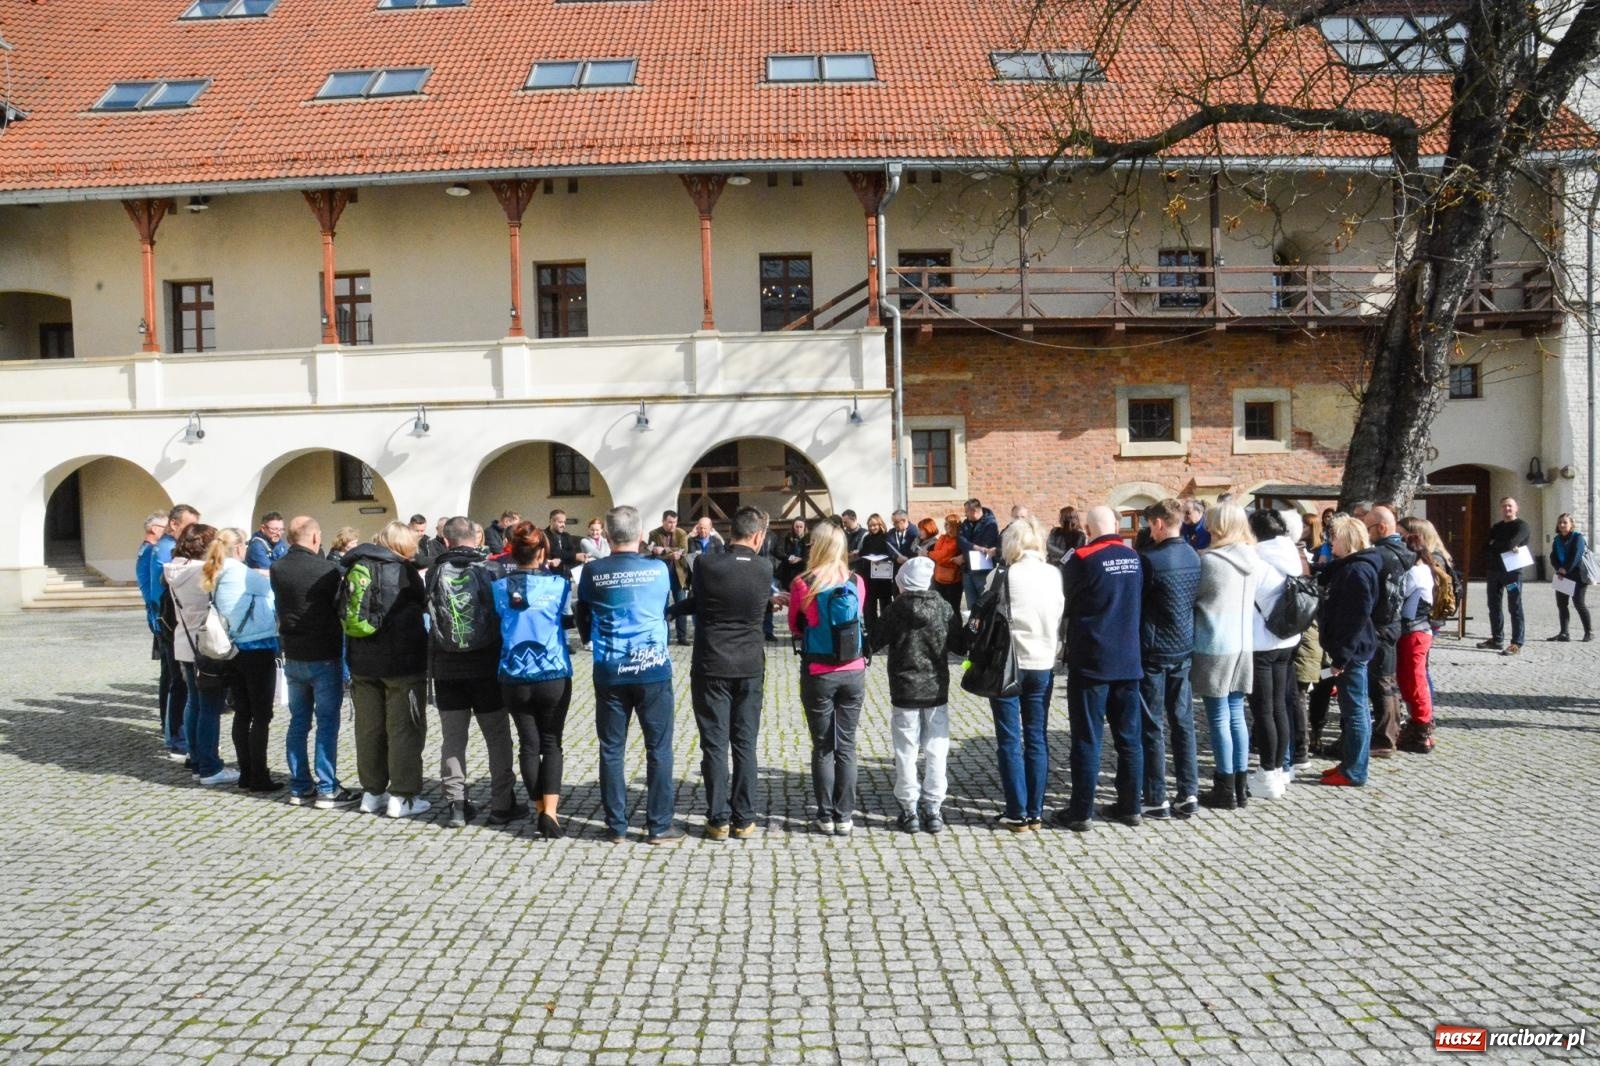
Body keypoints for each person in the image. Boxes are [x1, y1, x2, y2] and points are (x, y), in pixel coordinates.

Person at [578, 505, 680, 845]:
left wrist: (589, 637)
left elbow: (584, 612)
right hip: (652, 668)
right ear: (640, 536)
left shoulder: (593, 572)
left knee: (612, 748)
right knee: (659, 748)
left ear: (606, 536)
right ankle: (659, 825)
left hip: (610, 667)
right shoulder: (659, 569)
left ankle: (616, 826)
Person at [680, 507, 777, 840]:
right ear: (758, 536)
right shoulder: (765, 568)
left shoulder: (706, 564)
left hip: (711, 664)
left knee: (715, 744)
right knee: (745, 743)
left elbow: (699, 601)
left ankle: (718, 819)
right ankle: (744, 818)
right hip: (749, 665)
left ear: (731, 531)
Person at [426, 515, 519, 829]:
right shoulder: (489, 570)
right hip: (485, 665)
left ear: (447, 541)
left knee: (453, 739)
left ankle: (456, 804)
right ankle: (502, 804)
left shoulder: (434, 572)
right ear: (477, 539)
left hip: (446, 669)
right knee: (497, 737)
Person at [1052, 508, 1141, 832]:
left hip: (1092, 659)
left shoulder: (1083, 557)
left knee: (1087, 739)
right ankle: (1131, 806)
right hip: (1129, 659)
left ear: (1088, 529)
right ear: (1116, 526)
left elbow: (1067, 600)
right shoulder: (1134, 557)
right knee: (1129, 738)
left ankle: (1081, 812)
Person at [341, 521, 431, 819]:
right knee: (404, 729)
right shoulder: (404, 572)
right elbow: (422, 603)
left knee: (368, 730)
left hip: (362, 662)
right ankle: (402, 797)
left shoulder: (355, 566)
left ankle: (372, 792)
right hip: (402, 665)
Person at [271, 517, 359, 809]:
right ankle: (327, 788)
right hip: (323, 654)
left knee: (298, 722)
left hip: (293, 654)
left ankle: (299, 786)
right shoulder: (328, 570)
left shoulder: (277, 567)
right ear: (314, 537)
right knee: (326, 723)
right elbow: (341, 608)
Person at [492, 522, 573, 840]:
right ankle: (551, 814)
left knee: (528, 744)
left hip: (513, 674)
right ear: (542, 552)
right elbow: (566, 618)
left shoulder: (498, 587)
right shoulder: (559, 584)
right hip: (552, 671)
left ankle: (539, 809)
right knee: (552, 743)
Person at [787, 521, 868, 836]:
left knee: (823, 746)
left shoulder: (803, 583)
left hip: (819, 671)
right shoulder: (856, 581)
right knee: (846, 744)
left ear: (815, 547)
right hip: (853, 669)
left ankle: (825, 814)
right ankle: (845, 815)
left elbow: (795, 626)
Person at [872, 556, 961, 833]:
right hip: (935, 687)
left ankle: (909, 809)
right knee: (936, 748)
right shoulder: (943, 608)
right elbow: (959, 644)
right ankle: (934, 808)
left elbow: (874, 640)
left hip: (904, 687)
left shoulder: (895, 609)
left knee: (905, 749)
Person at [1136, 499, 1202, 820]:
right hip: (1183, 647)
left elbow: (1139, 602)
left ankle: (1156, 796)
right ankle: (1189, 792)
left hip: (1154, 650)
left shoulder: (1149, 560)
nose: (1149, 529)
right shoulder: (1192, 554)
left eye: (1151, 524)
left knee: (1152, 725)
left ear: (1160, 523)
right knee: (1182, 722)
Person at [1192, 503, 1259, 811]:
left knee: (1219, 716)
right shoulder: (1253, 559)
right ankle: (1240, 785)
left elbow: (1195, 598)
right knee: (1236, 714)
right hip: (1243, 643)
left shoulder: (1211, 562)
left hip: (1215, 643)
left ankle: (1225, 785)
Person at [205, 527, 282, 793]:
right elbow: (272, 589)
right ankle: (259, 774)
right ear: (240, 549)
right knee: (262, 715)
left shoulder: (217, 573)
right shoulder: (241, 572)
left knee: (243, 713)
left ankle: (246, 772)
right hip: (257, 647)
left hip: (233, 649)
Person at [163, 524, 236, 786]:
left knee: (194, 703)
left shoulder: (174, 569)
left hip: (184, 643)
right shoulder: (201, 571)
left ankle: (196, 760)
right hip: (205, 644)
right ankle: (209, 767)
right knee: (209, 707)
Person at [1247, 508, 1306, 801]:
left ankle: (1268, 773)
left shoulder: (1257, 560)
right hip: (1287, 638)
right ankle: (1283, 769)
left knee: (1264, 710)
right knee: (1280, 706)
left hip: (1262, 642)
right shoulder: (1290, 555)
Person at [1318, 516, 1382, 787]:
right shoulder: (1351, 567)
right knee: (1350, 709)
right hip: (1350, 649)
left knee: (1355, 711)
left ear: (1347, 540)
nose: (1331, 542)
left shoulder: (1357, 572)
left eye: (1335, 538)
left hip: (1352, 652)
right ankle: (1350, 761)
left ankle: (1355, 770)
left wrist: (1341, 658)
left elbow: (1354, 619)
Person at [1364, 506, 1414, 757]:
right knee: (1388, 680)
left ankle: (1384, 738)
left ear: (1381, 528)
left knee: (1381, 682)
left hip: (1380, 623)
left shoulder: (1380, 555)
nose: (1366, 532)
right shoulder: (1404, 551)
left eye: (1368, 527)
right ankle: (1390, 732)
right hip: (1394, 622)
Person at [137, 510, 183, 760]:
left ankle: (169, 727)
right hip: (162, 619)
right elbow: (151, 587)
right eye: (163, 525)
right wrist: (157, 618)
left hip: (160, 618)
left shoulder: (156, 548)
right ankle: (170, 730)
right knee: (171, 677)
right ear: (154, 528)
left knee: (169, 675)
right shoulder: (154, 550)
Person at [1395, 527, 1437, 755]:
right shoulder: (1424, 570)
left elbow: (1400, 597)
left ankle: (1422, 730)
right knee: (1411, 680)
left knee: (1415, 681)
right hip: (1417, 631)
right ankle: (1420, 726)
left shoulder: (1414, 573)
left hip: (1414, 631)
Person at [1478, 496, 1531, 655]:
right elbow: (1484, 546)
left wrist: (1496, 545)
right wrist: (1500, 546)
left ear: (1516, 508)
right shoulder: (1497, 527)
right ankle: (1497, 639)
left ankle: (1516, 643)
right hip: (1494, 571)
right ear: (1501, 509)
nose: (1507, 509)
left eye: (1510, 506)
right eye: (1504, 506)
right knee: (1493, 606)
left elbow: (1510, 543)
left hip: (1512, 573)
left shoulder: (1522, 526)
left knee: (1514, 606)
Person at [647, 509, 691, 646]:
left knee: (681, 606)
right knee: (662, 607)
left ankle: (682, 636)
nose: (672, 525)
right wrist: (670, 553)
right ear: (663, 521)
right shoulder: (654, 534)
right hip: (661, 575)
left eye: (675, 522)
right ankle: (664, 637)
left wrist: (664, 550)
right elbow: (652, 553)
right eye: (670, 522)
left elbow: (683, 551)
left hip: (678, 575)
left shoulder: (682, 533)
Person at [1549, 512, 1592, 642]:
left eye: (1565, 522)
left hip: (1578, 575)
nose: (1562, 525)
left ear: (1571, 524)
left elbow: (1576, 556)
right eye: (1560, 522)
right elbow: (1553, 556)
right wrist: (1559, 569)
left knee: (1579, 604)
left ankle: (1588, 632)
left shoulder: (1577, 538)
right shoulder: (1557, 540)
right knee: (1562, 605)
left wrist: (1565, 569)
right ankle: (1564, 633)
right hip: (1562, 575)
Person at [956, 498, 1000, 610]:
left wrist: (971, 548)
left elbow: (986, 544)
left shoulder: (991, 524)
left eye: (966, 511)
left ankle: (984, 627)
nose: (965, 514)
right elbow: (961, 540)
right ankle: (973, 627)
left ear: (974, 511)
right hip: (968, 570)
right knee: (971, 607)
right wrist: (975, 547)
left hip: (983, 570)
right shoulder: (966, 523)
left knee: (984, 606)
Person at [858, 513, 897, 636]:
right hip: (869, 576)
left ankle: (886, 630)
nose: (873, 528)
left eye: (875, 525)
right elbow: (863, 553)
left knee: (885, 604)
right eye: (870, 525)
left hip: (883, 577)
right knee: (869, 606)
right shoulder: (867, 538)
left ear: (880, 525)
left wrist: (883, 559)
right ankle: (872, 631)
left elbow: (891, 553)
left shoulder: (887, 537)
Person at [927, 514, 965, 615]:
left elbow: (942, 555)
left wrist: (928, 554)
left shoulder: (958, 540)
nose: (946, 526)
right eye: (945, 524)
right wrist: (939, 557)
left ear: (954, 526)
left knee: (953, 609)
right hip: (939, 578)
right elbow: (938, 554)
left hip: (953, 581)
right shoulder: (942, 538)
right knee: (940, 608)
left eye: (948, 524)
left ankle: (955, 630)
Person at [776, 518, 810, 591]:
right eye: (796, 527)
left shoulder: (808, 539)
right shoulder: (787, 537)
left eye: (801, 527)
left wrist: (800, 559)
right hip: (788, 570)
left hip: (802, 570)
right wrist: (789, 557)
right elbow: (779, 551)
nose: (798, 529)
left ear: (804, 528)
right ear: (793, 527)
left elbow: (810, 555)